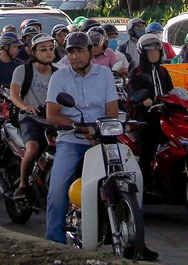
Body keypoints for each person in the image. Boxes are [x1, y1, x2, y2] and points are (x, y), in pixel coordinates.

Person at [44, 32, 121, 246]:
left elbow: (112, 111)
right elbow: (52, 113)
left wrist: (98, 133)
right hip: (71, 139)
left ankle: (132, 236)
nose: (75, 56)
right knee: (58, 188)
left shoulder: (104, 74)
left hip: (102, 139)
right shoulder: (59, 77)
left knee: (128, 178)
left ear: (91, 51)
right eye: (71, 52)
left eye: (80, 51)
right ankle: (54, 242)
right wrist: (77, 126)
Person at [9, 32, 56, 200]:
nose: (48, 52)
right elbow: (14, 94)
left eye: (51, 48)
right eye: (43, 49)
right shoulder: (22, 70)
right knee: (33, 149)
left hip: (53, 120)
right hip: (30, 119)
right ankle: (22, 185)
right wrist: (25, 107)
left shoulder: (59, 72)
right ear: (33, 52)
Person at [127, 34, 175, 183]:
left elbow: (171, 90)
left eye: (156, 51)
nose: (153, 54)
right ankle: (145, 184)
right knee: (147, 151)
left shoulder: (163, 71)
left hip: (165, 116)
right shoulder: (137, 71)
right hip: (145, 119)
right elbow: (133, 94)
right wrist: (143, 101)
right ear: (143, 53)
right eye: (150, 51)